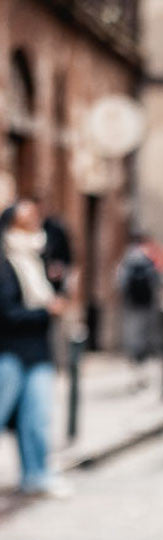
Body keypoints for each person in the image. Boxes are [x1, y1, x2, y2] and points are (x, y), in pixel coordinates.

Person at [0, 196, 69, 497]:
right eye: (25, 221)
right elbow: (6, 312)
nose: (33, 225)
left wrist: (58, 288)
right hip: (8, 350)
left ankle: (36, 476)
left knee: (37, 419)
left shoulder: (40, 258)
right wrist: (46, 311)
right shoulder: (4, 263)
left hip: (38, 351)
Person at [116, 232, 161, 390]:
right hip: (147, 305)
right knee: (146, 338)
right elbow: (158, 280)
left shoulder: (127, 260)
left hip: (131, 305)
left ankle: (136, 374)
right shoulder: (149, 259)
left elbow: (120, 281)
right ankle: (143, 374)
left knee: (133, 338)